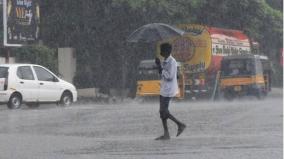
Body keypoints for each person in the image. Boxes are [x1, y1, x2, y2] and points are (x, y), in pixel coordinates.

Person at [154, 43, 186, 140]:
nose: (160, 52)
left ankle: (180, 124)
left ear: (167, 51)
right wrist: (159, 65)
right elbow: (162, 73)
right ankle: (166, 134)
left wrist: (160, 67)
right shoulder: (165, 61)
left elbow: (170, 77)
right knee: (161, 112)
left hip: (169, 89)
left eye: (162, 50)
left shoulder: (172, 62)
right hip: (164, 88)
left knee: (164, 110)